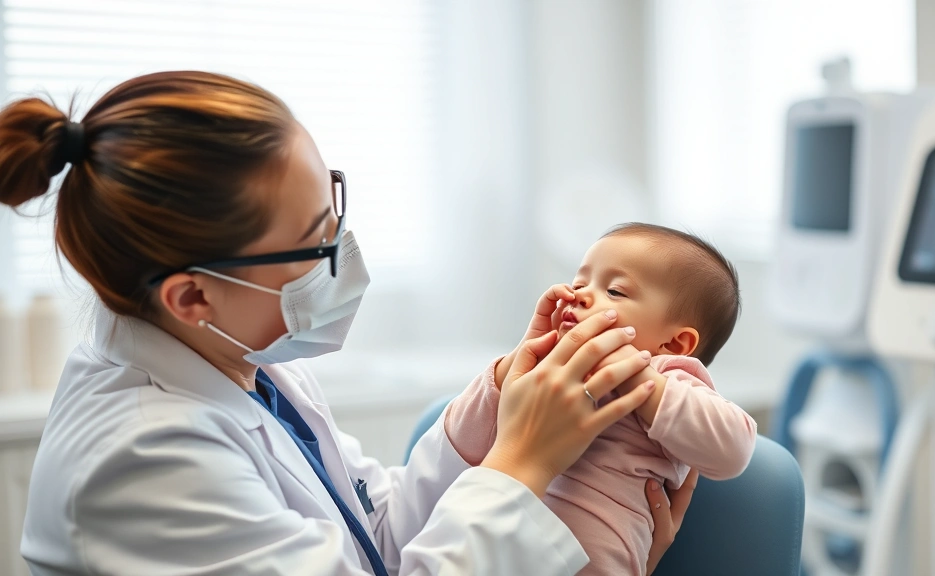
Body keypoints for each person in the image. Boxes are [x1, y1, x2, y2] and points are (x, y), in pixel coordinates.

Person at [0, 71, 694, 575]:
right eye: (315, 241)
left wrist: (495, 404)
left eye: (334, 212)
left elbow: (371, 538)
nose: (342, 252)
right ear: (192, 297)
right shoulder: (140, 463)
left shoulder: (247, 359)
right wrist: (523, 465)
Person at [446, 223, 757, 574]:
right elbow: (462, 447)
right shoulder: (549, 372)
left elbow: (735, 449)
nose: (579, 295)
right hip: (496, 555)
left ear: (673, 344)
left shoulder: (666, 373)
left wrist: (639, 379)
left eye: (614, 291)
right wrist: (512, 369)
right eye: (579, 284)